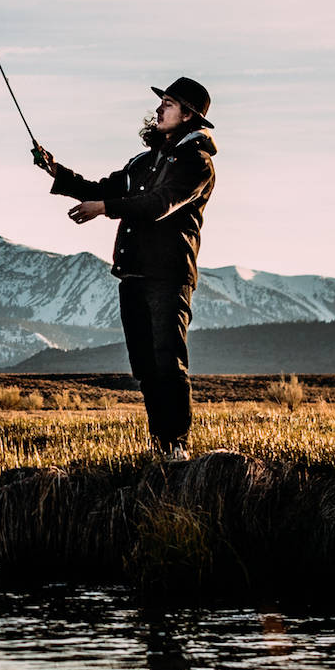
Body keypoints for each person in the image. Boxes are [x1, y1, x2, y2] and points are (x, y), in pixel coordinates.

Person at [32, 77, 218, 463]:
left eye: (168, 103)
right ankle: (161, 446)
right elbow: (104, 187)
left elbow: (158, 204)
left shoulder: (196, 163)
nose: (159, 109)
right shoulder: (144, 162)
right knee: (146, 367)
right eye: (161, 102)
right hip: (133, 273)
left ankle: (177, 446)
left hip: (169, 274)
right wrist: (56, 172)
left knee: (168, 360)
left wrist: (103, 208)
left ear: (188, 115)